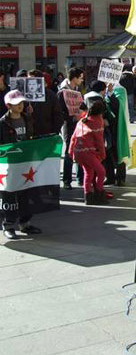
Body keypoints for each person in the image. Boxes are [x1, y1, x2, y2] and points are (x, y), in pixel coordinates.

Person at [0, 90, 42, 239]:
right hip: (10, 165)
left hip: (26, 163)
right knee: (9, 195)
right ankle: (8, 225)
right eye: (17, 103)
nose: (21, 105)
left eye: (22, 102)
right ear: (8, 105)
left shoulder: (28, 119)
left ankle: (25, 223)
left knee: (26, 194)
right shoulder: (2, 123)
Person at [69, 100, 108, 205]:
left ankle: (88, 196)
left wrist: (70, 151)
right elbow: (99, 140)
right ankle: (99, 194)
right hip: (88, 152)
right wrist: (102, 153)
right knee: (101, 172)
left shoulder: (82, 120)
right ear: (101, 112)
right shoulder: (97, 121)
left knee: (88, 173)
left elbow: (73, 137)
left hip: (78, 152)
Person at [57, 67, 85, 189]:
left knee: (79, 149)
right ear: (74, 78)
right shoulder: (62, 92)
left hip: (78, 124)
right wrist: (71, 117)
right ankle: (67, 180)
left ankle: (80, 178)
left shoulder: (77, 90)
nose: (82, 80)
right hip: (68, 125)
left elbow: (82, 105)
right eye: (81, 77)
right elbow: (59, 111)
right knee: (69, 150)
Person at [27, 69, 63, 136]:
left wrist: (54, 133)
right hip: (28, 136)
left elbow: (58, 116)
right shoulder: (23, 97)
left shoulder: (50, 95)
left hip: (46, 134)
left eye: (33, 81)